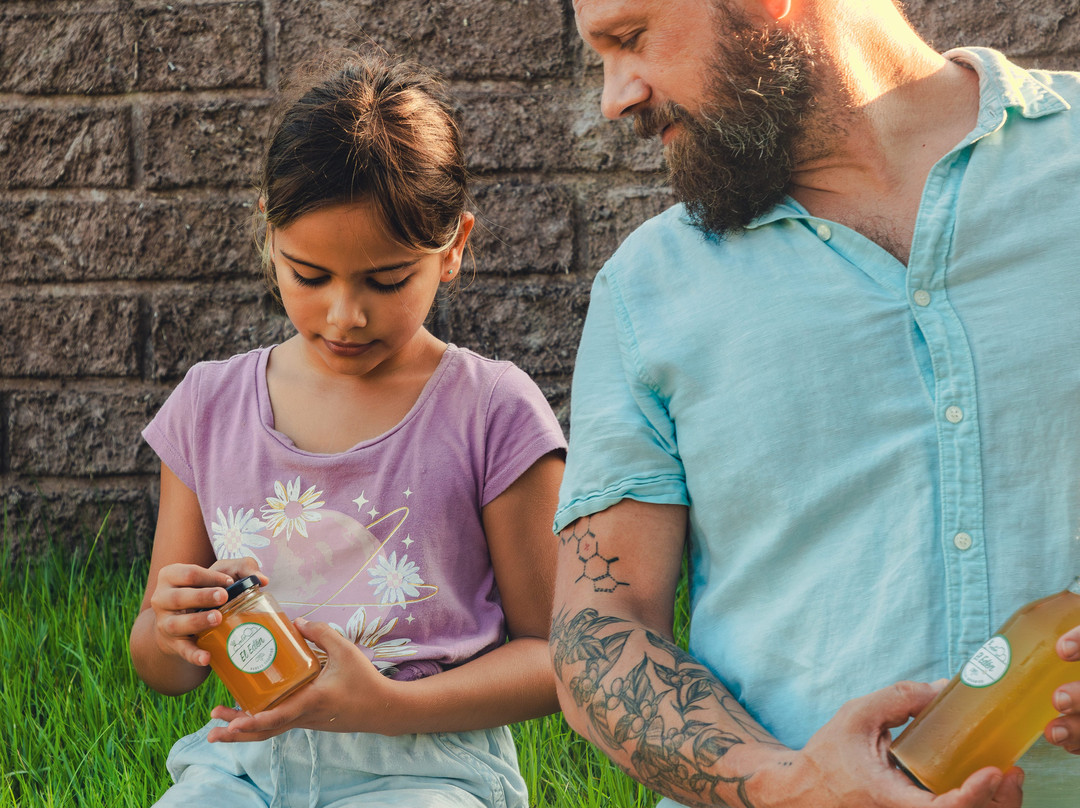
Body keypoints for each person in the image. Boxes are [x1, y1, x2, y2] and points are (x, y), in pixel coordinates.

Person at [550, 0, 1080, 806]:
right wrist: (788, 787)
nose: (614, 96)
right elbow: (599, 635)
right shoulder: (646, 290)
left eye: (630, 39)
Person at [129, 50, 566, 808]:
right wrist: (168, 629)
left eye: (387, 280)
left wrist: (385, 706)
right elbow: (165, 667)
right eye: (309, 275)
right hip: (245, 764)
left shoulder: (492, 411)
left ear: (454, 247)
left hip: (425, 768)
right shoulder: (210, 406)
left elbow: (558, 656)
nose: (345, 315)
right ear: (269, 237)